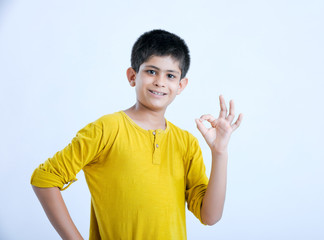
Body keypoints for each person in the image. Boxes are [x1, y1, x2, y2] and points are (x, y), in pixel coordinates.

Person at [30, 29, 244, 240]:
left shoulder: (186, 143)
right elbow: (45, 179)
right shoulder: (107, 129)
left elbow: (210, 216)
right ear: (133, 76)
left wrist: (220, 152)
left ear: (181, 85)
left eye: (170, 75)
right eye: (151, 71)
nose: (160, 81)